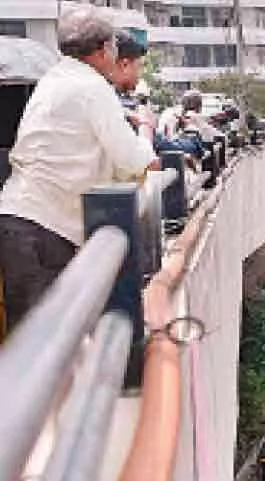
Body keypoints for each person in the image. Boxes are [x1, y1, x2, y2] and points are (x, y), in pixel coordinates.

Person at [0, 7, 158, 330]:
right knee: (46, 342)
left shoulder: (57, 79)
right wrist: (147, 136)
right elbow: (132, 159)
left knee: (30, 339)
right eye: (114, 46)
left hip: (21, 218)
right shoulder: (92, 88)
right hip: (45, 229)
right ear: (102, 51)